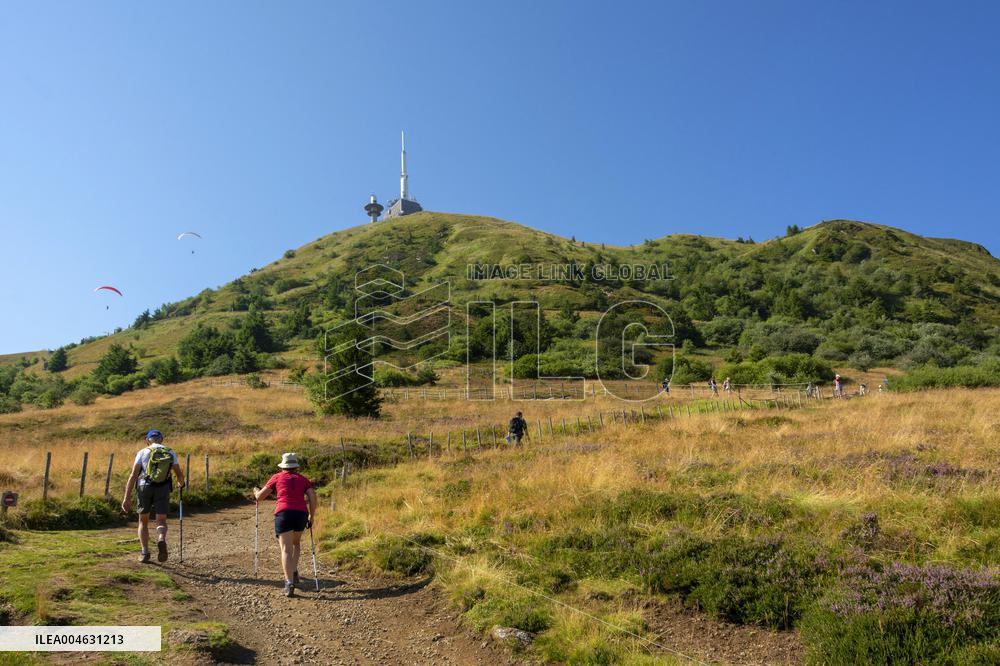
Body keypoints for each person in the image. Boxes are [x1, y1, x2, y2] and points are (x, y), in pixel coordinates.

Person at [253, 453, 318, 597]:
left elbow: (260, 497)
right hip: (301, 514)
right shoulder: (303, 479)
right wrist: (311, 517)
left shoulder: (276, 477)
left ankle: (289, 583)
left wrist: (255, 491)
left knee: (286, 549)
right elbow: (313, 497)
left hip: (284, 513)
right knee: (296, 544)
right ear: (296, 467)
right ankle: (294, 570)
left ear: (283, 466)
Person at [121, 429, 185, 564]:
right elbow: (179, 474)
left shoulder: (143, 452)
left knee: (143, 521)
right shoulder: (169, 451)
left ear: (147, 440)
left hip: (145, 487)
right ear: (161, 439)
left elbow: (133, 475)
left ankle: (144, 552)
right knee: (161, 520)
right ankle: (161, 537)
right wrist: (180, 485)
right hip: (163, 488)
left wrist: (126, 497)